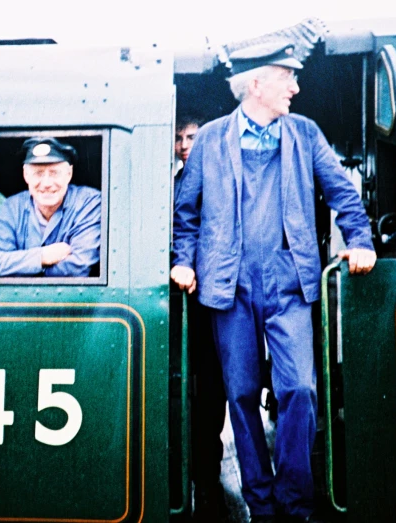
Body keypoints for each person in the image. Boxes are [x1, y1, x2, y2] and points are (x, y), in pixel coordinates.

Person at [171, 41, 376, 523]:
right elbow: (186, 214)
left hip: (289, 283)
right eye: (288, 78)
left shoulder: (304, 133)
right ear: (257, 84)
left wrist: (360, 239)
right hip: (229, 287)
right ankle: (260, 505)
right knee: (240, 395)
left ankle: (295, 503)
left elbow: (343, 192)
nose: (296, 88)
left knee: (300, 390)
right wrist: (185, 261)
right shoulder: (211, 140)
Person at [173, 113, 229, 521]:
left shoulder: (223, 180)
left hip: (212, 299)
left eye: (191, 136)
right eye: (178, 138)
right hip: (177, 298)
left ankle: (208, 476)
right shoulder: (168, 184)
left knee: (212, 388)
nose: (184, 144)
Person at [0, 137, 101, 277]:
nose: (46, 183)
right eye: (38, 173)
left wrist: (18, 268)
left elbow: (78, 267)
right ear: (26, 175)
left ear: (69, 174)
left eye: (54, 173)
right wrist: (42, 257)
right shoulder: (12, 207)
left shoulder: (88, 203)